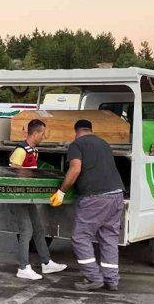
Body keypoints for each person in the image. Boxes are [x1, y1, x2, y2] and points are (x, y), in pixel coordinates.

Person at [53, 120, 126, 291]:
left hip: (95, 197)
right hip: (116, 195)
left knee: (80, 237)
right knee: (109, 238)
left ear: (76, 131)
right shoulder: (104, 144)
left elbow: (75, 169)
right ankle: (111, 280)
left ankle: (93, 277)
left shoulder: (76, 144)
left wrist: (62, 191)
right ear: (91, 130)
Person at [8, 119, 67, 280]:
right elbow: (13, 171)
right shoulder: (21, 151)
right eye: (42, 133)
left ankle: (46, 263)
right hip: (19, 196)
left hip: (28, 196)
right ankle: (23, 267)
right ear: (34, 133)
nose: (44, 136)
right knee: (26, 230)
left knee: (38, 228)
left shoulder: (34, 150)